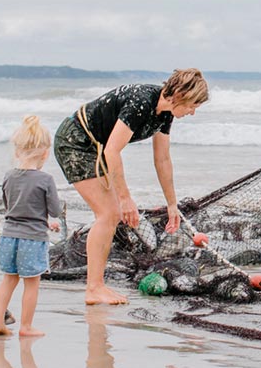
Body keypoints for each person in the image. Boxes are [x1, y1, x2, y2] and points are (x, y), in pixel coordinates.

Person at [54, 69, 209, 305]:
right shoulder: (141, 102)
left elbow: (162, 160)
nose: (193, 112)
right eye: (193, 104)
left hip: (96, 147)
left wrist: (171, 204)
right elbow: (112, 151)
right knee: (108, 214)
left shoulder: (165, 114)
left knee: (111, 215)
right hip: (77, 142)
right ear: (179, 94)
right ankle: (94, 288)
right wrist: (125, 199)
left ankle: (96, 286)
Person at [0, 115, 63, 336]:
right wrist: (49, 221)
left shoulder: (8, 176)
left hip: (8, 236)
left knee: (8, 280)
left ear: (17, 151)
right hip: (33, 239)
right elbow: (55, 211)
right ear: (44, 153)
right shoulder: (45, 180)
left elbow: (10, 207)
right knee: (31, 284)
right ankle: (26, 326)